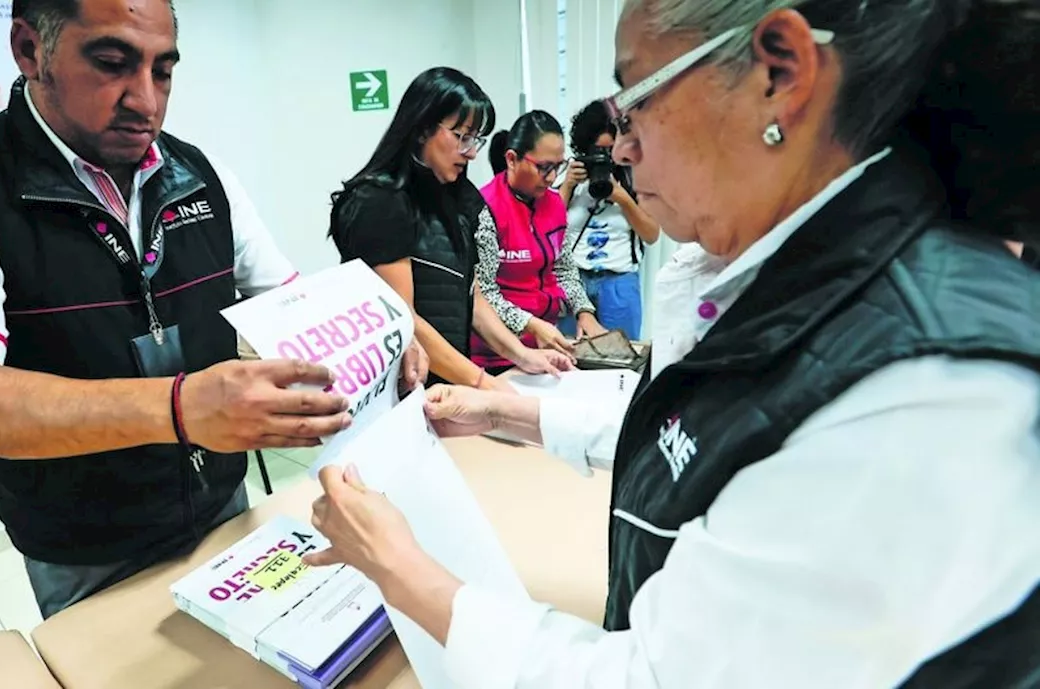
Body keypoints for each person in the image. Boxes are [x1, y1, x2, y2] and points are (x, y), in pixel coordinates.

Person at [304, 0, 1040, 686]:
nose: (620, 149)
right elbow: (706, 429)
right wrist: (509, 413)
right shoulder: (779, 271)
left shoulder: (919, 392)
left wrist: (399, 566)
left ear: (778, 71)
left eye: (635, 101)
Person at [0, 0, 427, 619]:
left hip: (222, 503)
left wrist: (378, 331)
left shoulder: (200, 171)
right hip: (85, 547)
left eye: (163, 71)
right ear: (31, 50)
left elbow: (291, 303)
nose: (145, 102)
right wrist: (180, 408)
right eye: (112, 64)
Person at [329, 68, 573, 391]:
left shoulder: (459, 198)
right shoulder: (380, 201)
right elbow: (404, 319)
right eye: (462, 137)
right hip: (400, 391)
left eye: (476, 140)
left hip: (448, 385)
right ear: (422, 129)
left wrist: (523, 355)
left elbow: (472, 297)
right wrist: (484, 383)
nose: (472, 152)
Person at [471, 112, 606, 375]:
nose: (552, 176)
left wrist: (584, 310)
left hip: (546, 347)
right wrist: (529, 324)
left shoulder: (554, 203)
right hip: (497, 355)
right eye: (544, 167)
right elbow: (484, 294)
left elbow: (563, 269)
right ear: (512, 159)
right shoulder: (485, 208)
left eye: (559, 166)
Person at [555, 100, 661, 339]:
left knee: (621, 359)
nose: (604, 158)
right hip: (575, 282)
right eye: (596, 151)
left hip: (619, 283)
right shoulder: (570, 179)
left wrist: (623, 198)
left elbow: (652, 235)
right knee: (570, 359)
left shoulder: (636, 179)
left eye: (609, 151)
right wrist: (568, 186)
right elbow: (548, 230)